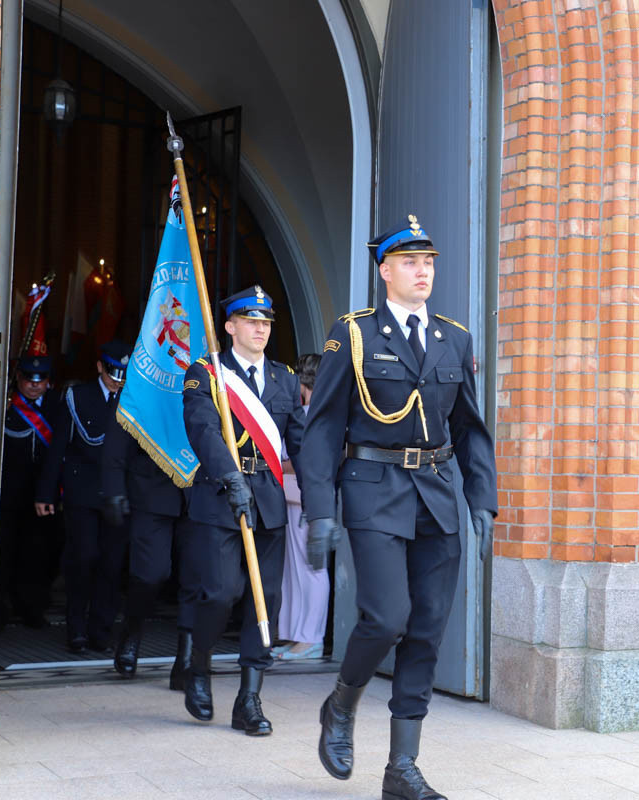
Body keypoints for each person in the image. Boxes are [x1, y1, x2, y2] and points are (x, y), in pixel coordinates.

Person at [302, 215, 497, 800]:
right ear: (384, 270)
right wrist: (320, 508)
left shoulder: (454, 338)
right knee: (388, 618)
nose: (422, 271)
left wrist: (482, 499)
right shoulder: (354, 334)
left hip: (435, 493)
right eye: (410, 262)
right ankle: (341, 704)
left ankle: (402, 768)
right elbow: (322, 427)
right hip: (373, 487)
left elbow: (470, 428)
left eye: (428, 262)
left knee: (427, 630)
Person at [180, 285, 305, 736]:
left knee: (264, 600)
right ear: (230, 327)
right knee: (219, 592)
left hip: (268, 499)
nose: (260, 329)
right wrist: (230, 477)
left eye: (266, 322)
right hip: (219, 496)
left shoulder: (285, 378)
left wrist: (319, 497)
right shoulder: (207, 373)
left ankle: (249, 699)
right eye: (251, 321)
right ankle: (197, 664)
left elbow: (300, 441)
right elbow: (203, 429)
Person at [35, 340, 131, 653]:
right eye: (112, 372)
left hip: (119, 493)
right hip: (83, 492)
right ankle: (76, 629)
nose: (117, 380)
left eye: (123, 374)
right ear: (100, 367)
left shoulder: (133, 398)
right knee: (84, 558)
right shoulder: (78, 396)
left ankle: (101, 631)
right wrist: (46, 492)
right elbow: (58, 447)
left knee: (111, 564)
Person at [102, 411, 196, 688]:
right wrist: (113, 488)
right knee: (150, 574)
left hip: (199, 493)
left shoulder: (212, 383)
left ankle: (187, 659)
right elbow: (119, 434)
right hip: (151, 489)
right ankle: (131, 632)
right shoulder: (146, 383)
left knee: (197, 578)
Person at [0, 355, 62, 631]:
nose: (34, 385)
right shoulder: (5, 404)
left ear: (48, 381)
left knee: (38, 555)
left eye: (40, 380)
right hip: (9, 493)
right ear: (19, 379)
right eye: (29, 379)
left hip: (43, 494)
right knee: (4, 553)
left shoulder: (58, 405)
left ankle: (32, 608)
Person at [274, 353, 329, 660]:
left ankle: (310, 638)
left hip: (305, 497)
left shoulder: (312, 414)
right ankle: (297, 634)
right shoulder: (313, 412)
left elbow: (303, 461)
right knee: (295, 570)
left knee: (310, 568)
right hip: (295, 497)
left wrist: (275, 464)